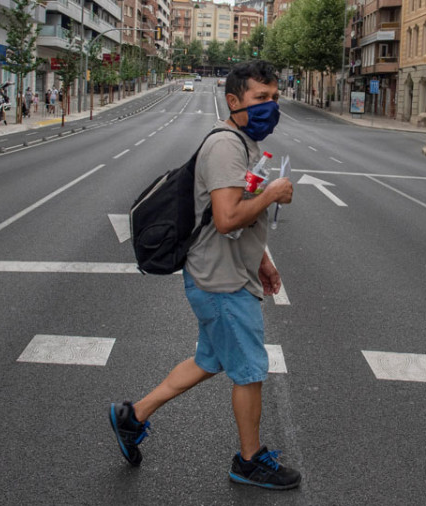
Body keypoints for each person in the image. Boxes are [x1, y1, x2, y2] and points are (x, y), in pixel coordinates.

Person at [109, 60, 300, 491]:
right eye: (260, 99)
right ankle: (249, 462)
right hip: (221, 281)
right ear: (234, 101)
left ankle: (132, 416)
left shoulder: (243, 143)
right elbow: (228, 216)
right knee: (250, 370)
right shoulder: (226, 146)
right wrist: (271, 194)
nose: (271, 107)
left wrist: (263, 259)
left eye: (274, 98)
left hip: (226, 273)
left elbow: (230, 220)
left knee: (208, 361)